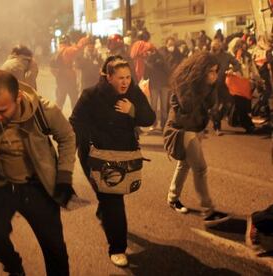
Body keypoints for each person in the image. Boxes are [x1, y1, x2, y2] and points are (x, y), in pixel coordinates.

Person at [0, 70, 76, 276]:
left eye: (2, 111)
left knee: (54, 249)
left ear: (19, 98)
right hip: (1, 186)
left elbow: (67, 137)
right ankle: (15, 270)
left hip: (37, 187)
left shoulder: (45, 110)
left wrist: (64, 177)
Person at [70, 56, 155, 267]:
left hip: (123, 155)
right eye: (120, 78)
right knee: (112, 201)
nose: (125, 82)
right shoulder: (91, 95)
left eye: (128, 77)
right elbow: (75, 122)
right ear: (108, 77)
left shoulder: (134, 93)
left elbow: (149, 118)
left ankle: (105, 213)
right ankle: (117, 248)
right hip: (96, 156)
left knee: (111, 199)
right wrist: (69, 155)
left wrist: (132, 111)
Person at [164, 51, 230, 226]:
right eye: (211, 71)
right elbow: (187, 107)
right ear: (201, 71)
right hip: (180, 129)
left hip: (195, 128)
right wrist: (204, 87)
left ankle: (172, 197)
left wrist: (212, 87)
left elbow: (210, 105)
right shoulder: (185, 84)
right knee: (200, 168)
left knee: (185, 163)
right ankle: (208, 210)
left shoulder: (209, 86)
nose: (214, 75)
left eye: (216, 71)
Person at [210, 39, 241, 135]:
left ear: (221, 46)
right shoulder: (209, 56)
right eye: (214, 45)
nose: (216, 47)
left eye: (217, 45)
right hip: (213, 85)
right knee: (215, 106)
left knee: (228, 104)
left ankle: (217, 118)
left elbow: (237, 64)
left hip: (225, 84)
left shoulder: (227, 56)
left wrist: (232, 69)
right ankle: (217, 127)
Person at [50, 35, 86, 111]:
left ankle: (56, 119)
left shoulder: (58, 51)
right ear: (68, 42)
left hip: (60, 80)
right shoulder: (67, 50)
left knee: (59, 103)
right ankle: (75, 121)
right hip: (70, 80)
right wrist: (84, 39)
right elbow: (78, 48)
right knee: (75, 102)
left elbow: (52, 69)